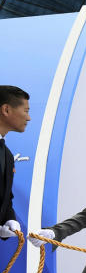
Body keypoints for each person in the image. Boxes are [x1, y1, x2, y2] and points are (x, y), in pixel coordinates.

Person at [0, 86, 29, 242]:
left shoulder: (8, 155)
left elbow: (5, 197)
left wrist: (9, 219)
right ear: (6, 110)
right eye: (25, 111)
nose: (29, 118)